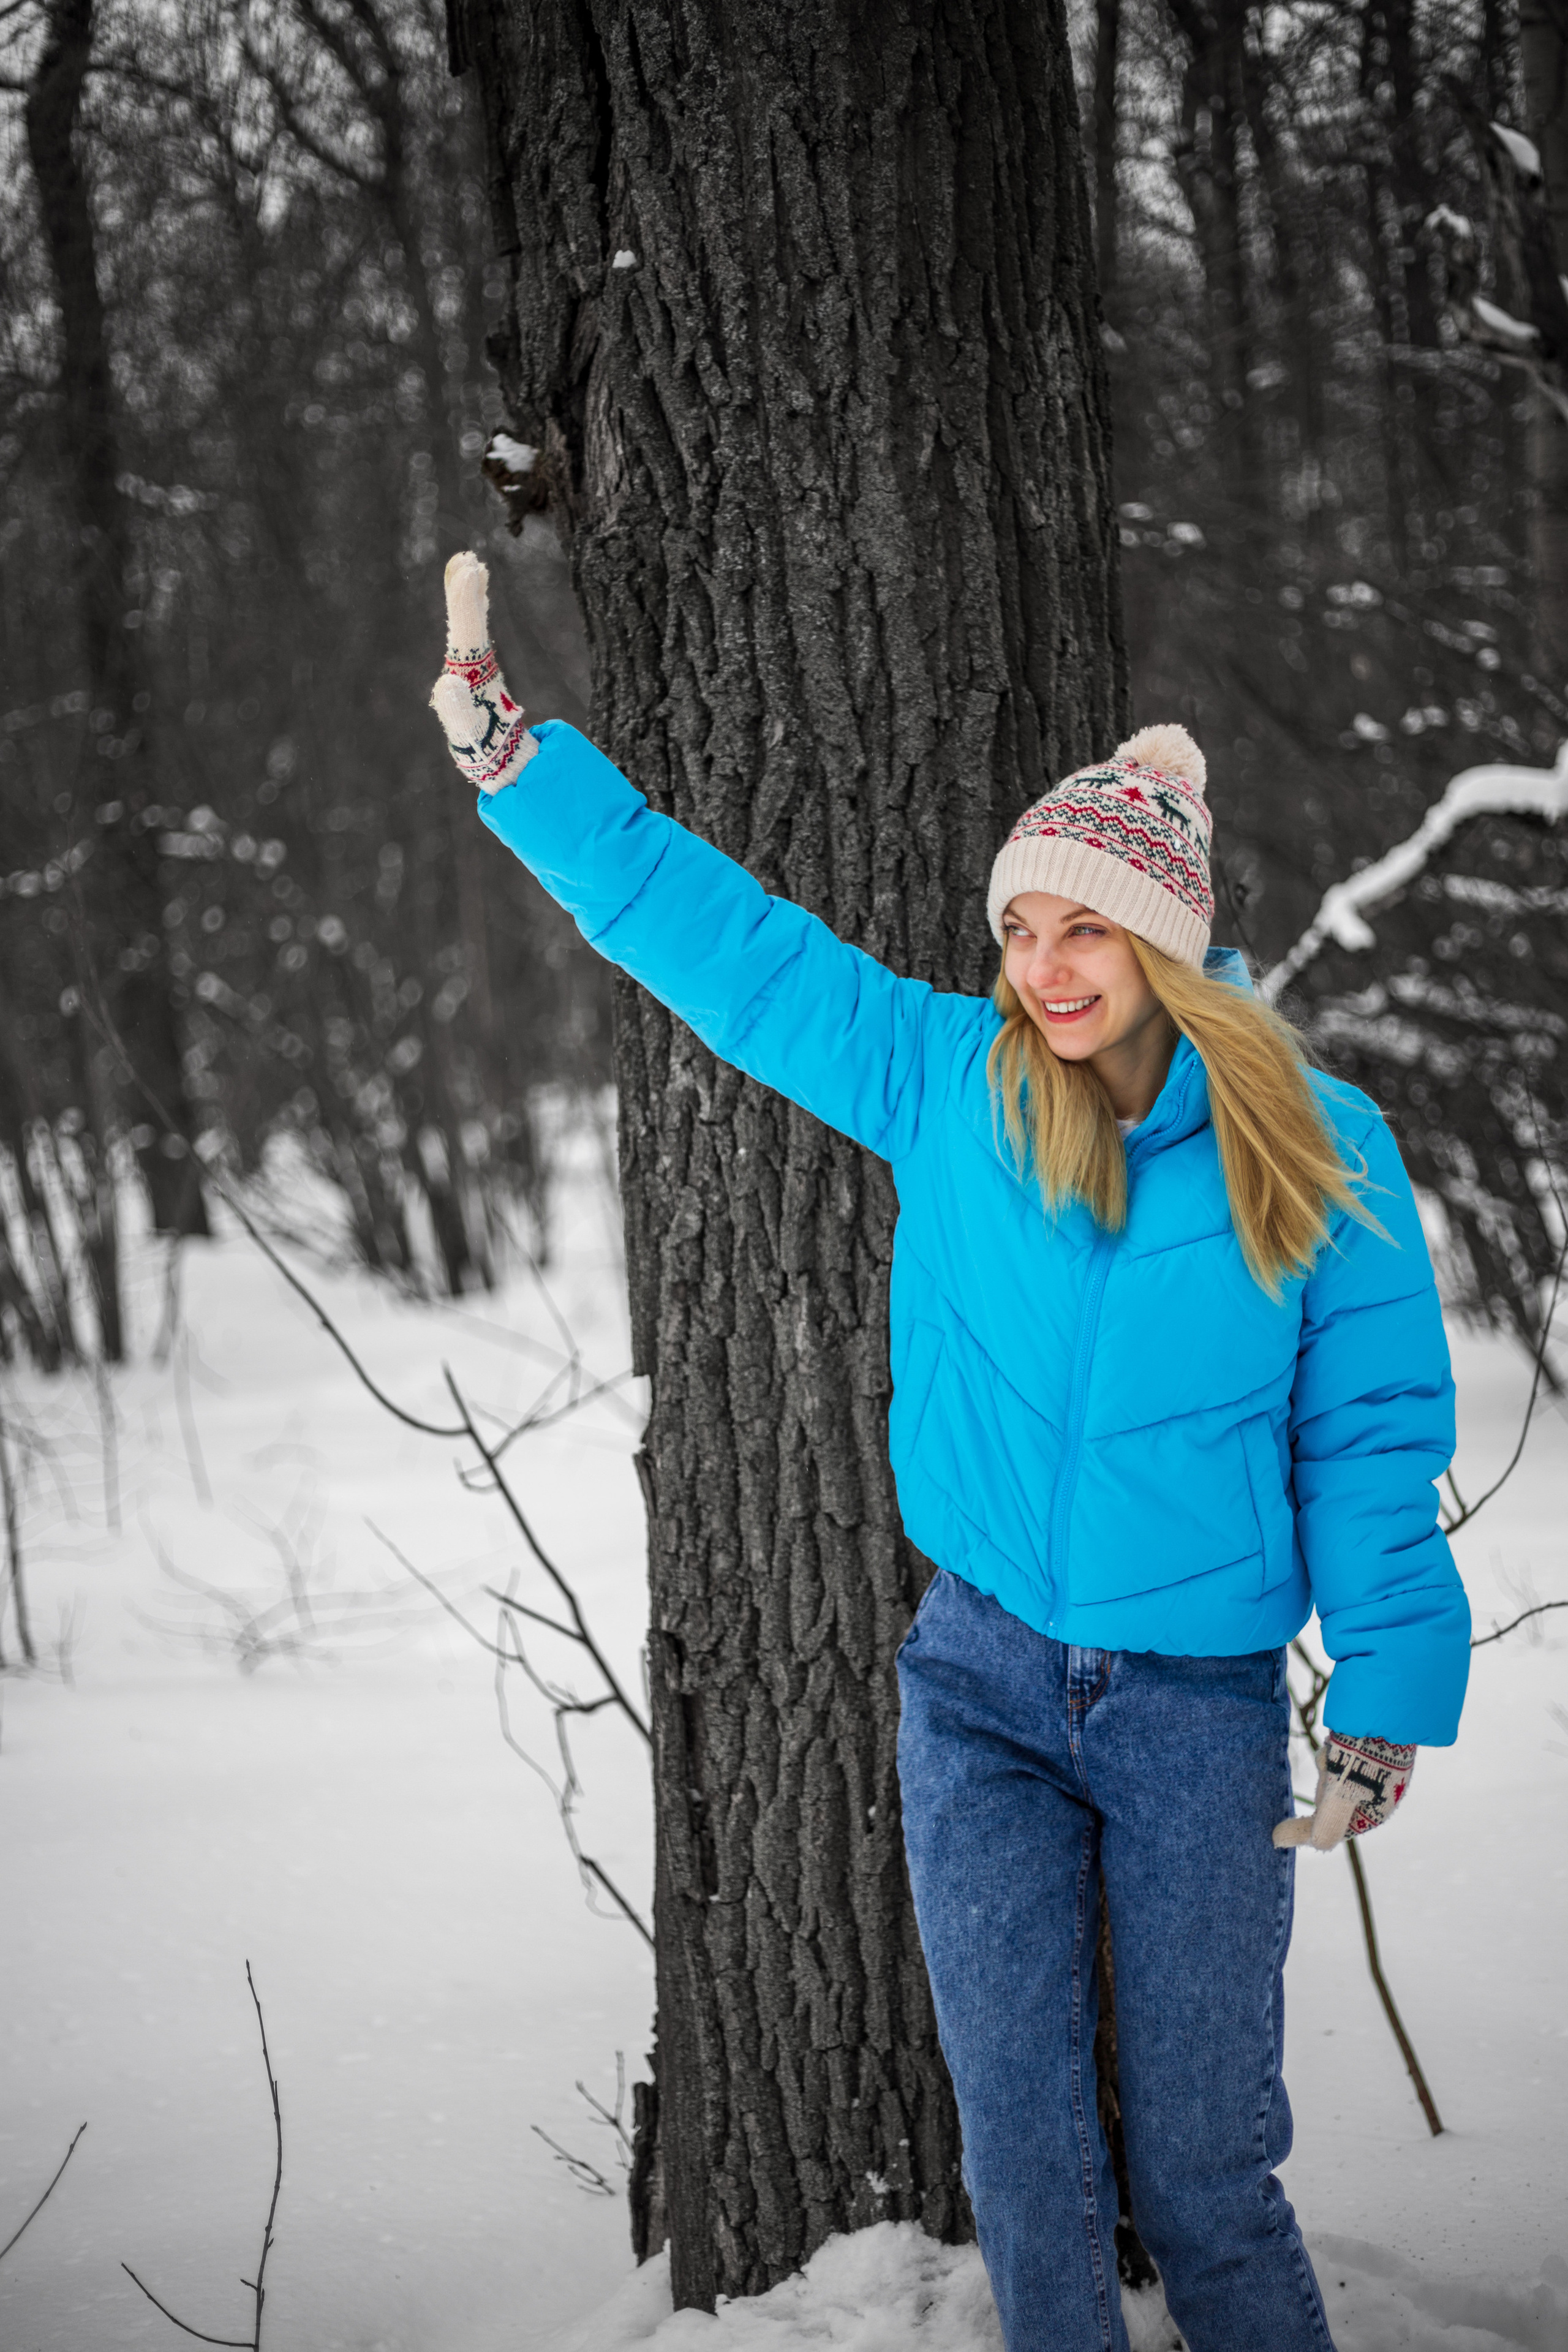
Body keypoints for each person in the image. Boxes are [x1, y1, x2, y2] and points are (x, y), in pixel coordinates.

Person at [429, 552, 1469, 2352]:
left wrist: (1380, 1699)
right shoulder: (956, 1085)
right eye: (1018, 931)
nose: (1043, 971)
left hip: (1198, 1708)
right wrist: (529, 772)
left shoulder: (1319, 1140)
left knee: (1212, 2170)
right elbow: (732, 950)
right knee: (1029, 2172)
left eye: (1081, 930)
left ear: (1163, 936)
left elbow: (1373, 1439)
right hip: (977, 1683)